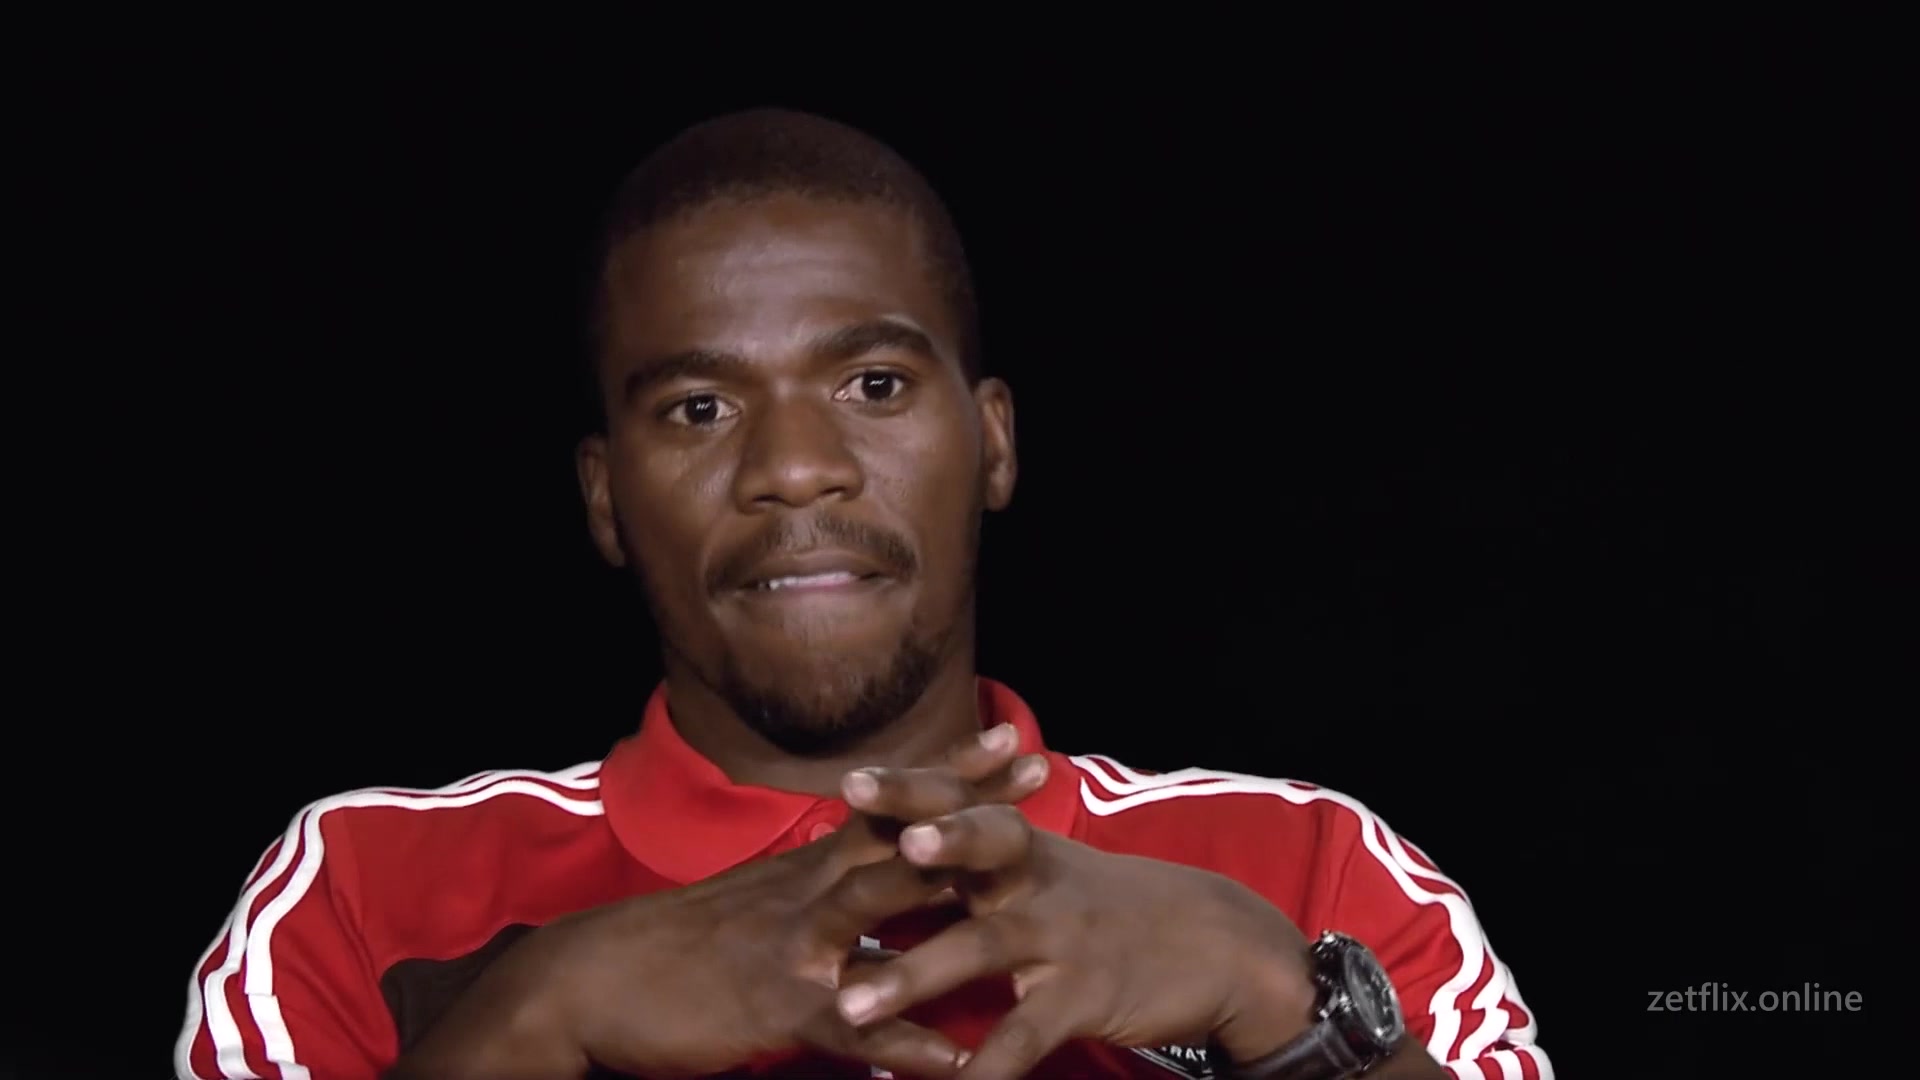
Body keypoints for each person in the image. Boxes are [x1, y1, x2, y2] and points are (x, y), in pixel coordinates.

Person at [176, 108, 1551, 1080]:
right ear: (604, 497)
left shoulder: (1310, 870)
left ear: (993, 442)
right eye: (700, 407)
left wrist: (1282, 1007)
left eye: (874, 385)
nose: (793, 468)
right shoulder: (362, 895)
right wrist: (533, 1019)